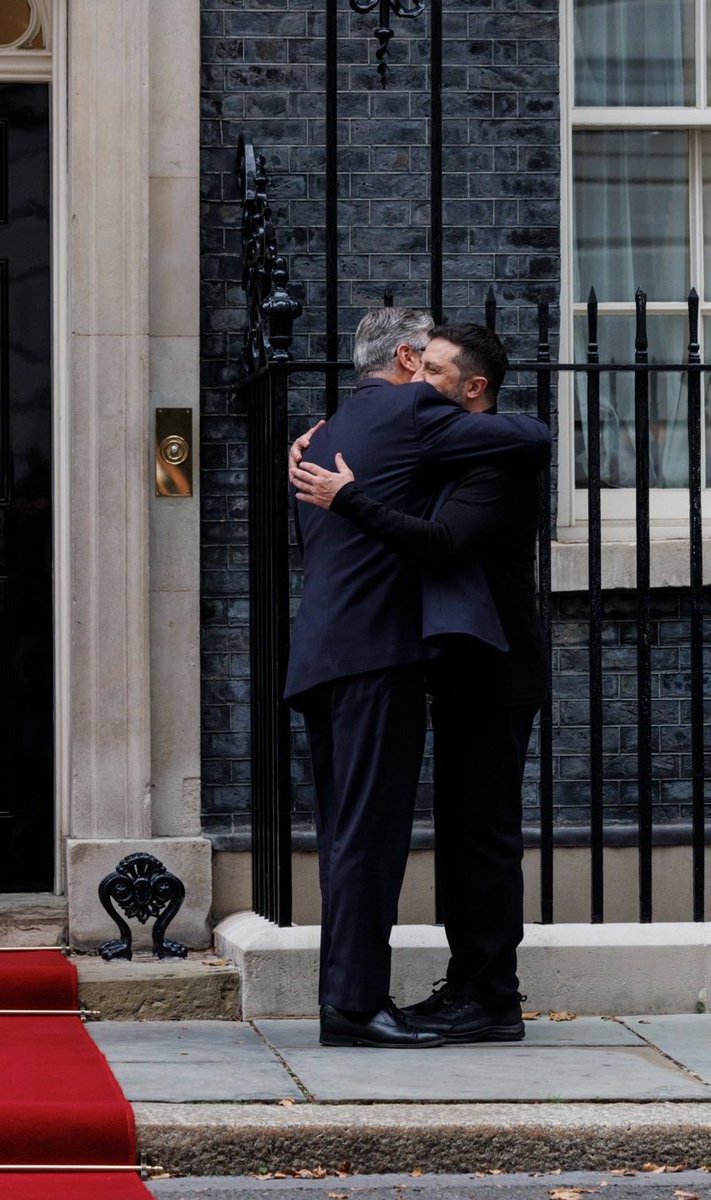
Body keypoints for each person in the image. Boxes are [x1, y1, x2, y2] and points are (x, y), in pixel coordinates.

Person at [283, 309, 551, 1049]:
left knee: (478, 835)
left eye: (437, 372)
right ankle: (381, 1000)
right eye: (419, 366)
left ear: (471, 388)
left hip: (492, 665)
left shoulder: (471, 454)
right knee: (406, 834)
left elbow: (444, 537)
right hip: (412, 660)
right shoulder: (414, 430)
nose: (422, 382)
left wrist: (347, 493)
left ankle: (485, 993)